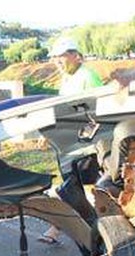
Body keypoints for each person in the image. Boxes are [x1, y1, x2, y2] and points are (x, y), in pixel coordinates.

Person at [38, 37, 103, 245]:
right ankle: (78, 228)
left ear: (75, 56)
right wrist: (47, 134)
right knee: (70, 187)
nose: (57, 61)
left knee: (74, 186)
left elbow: (99, 112)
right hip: (67, 143)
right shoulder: (66, 79)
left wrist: (85, 138)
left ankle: (96, 229)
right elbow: (61, 111)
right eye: (55, 57)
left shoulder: (88, 77)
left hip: (84, 144)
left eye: (62, 56)